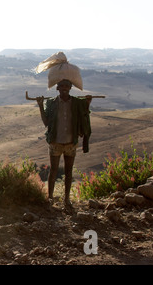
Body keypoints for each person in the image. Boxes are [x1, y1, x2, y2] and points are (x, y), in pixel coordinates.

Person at [36, 79, 92, 209]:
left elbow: (84, 115)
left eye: (67, 86)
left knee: (69, 171)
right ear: (57, 88)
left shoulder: (77, 103)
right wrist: (40, 105)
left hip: (70, 143)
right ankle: (50, 197)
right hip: (55, 142)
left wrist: (87, 104)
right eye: (62, 86)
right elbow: (46, 122)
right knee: (54, 170)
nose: (64, 88)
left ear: (70, 88)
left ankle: (67, 199)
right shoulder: (51, 103)